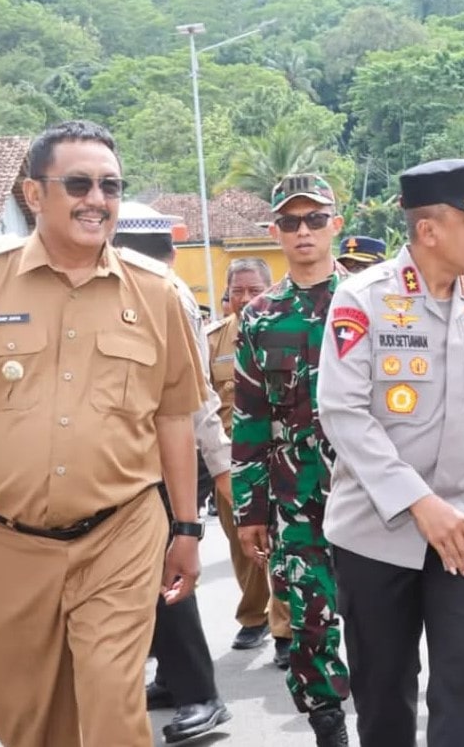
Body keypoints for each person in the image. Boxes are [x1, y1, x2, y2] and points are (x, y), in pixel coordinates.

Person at [0, 119, 204, 747]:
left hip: (119, 534)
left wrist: (186, 527)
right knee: (20, 713)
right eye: (77, 183)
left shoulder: (156, 293)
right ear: (32, 194)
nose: (95, 199)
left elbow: (174, 416)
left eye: (109, 185)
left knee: (110, 705)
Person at [318, 158, 464, 747]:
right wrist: (420, 503)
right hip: (376, 533)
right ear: (429, 231)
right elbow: (344, 413)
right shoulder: (361, 299)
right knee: (384, 692)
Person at [232, 174, 351, 746]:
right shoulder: (258, 317)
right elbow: (249, 416)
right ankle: (328, 723)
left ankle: (385, 713)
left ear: (336, 224)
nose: (302, 231)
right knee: (307, 619)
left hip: (370, 489)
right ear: (274, 231)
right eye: (289, 221)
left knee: (381, 617)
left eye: (313, 218)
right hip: (294, 495)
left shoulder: (372, 301)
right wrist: (249, 508)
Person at [111, 218, 233, 743]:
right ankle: (171, 677)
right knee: (145, 578)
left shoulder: (165, 295)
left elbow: (196, 397)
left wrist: (221, 464)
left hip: (167, 460)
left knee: (168, 577)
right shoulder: (142, 287)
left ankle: (201, 695)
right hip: (133, 460)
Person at [206, 258, 294, 666]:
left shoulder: (286, 331)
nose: (245, 298)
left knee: (284, 544)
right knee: (243, 545)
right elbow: (203, 406)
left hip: (280, 456)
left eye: (254, 289)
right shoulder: (211, 341)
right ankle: (253, 615)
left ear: (269, 287)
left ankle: (286, 629)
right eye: (237, 291)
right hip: (231, 463)